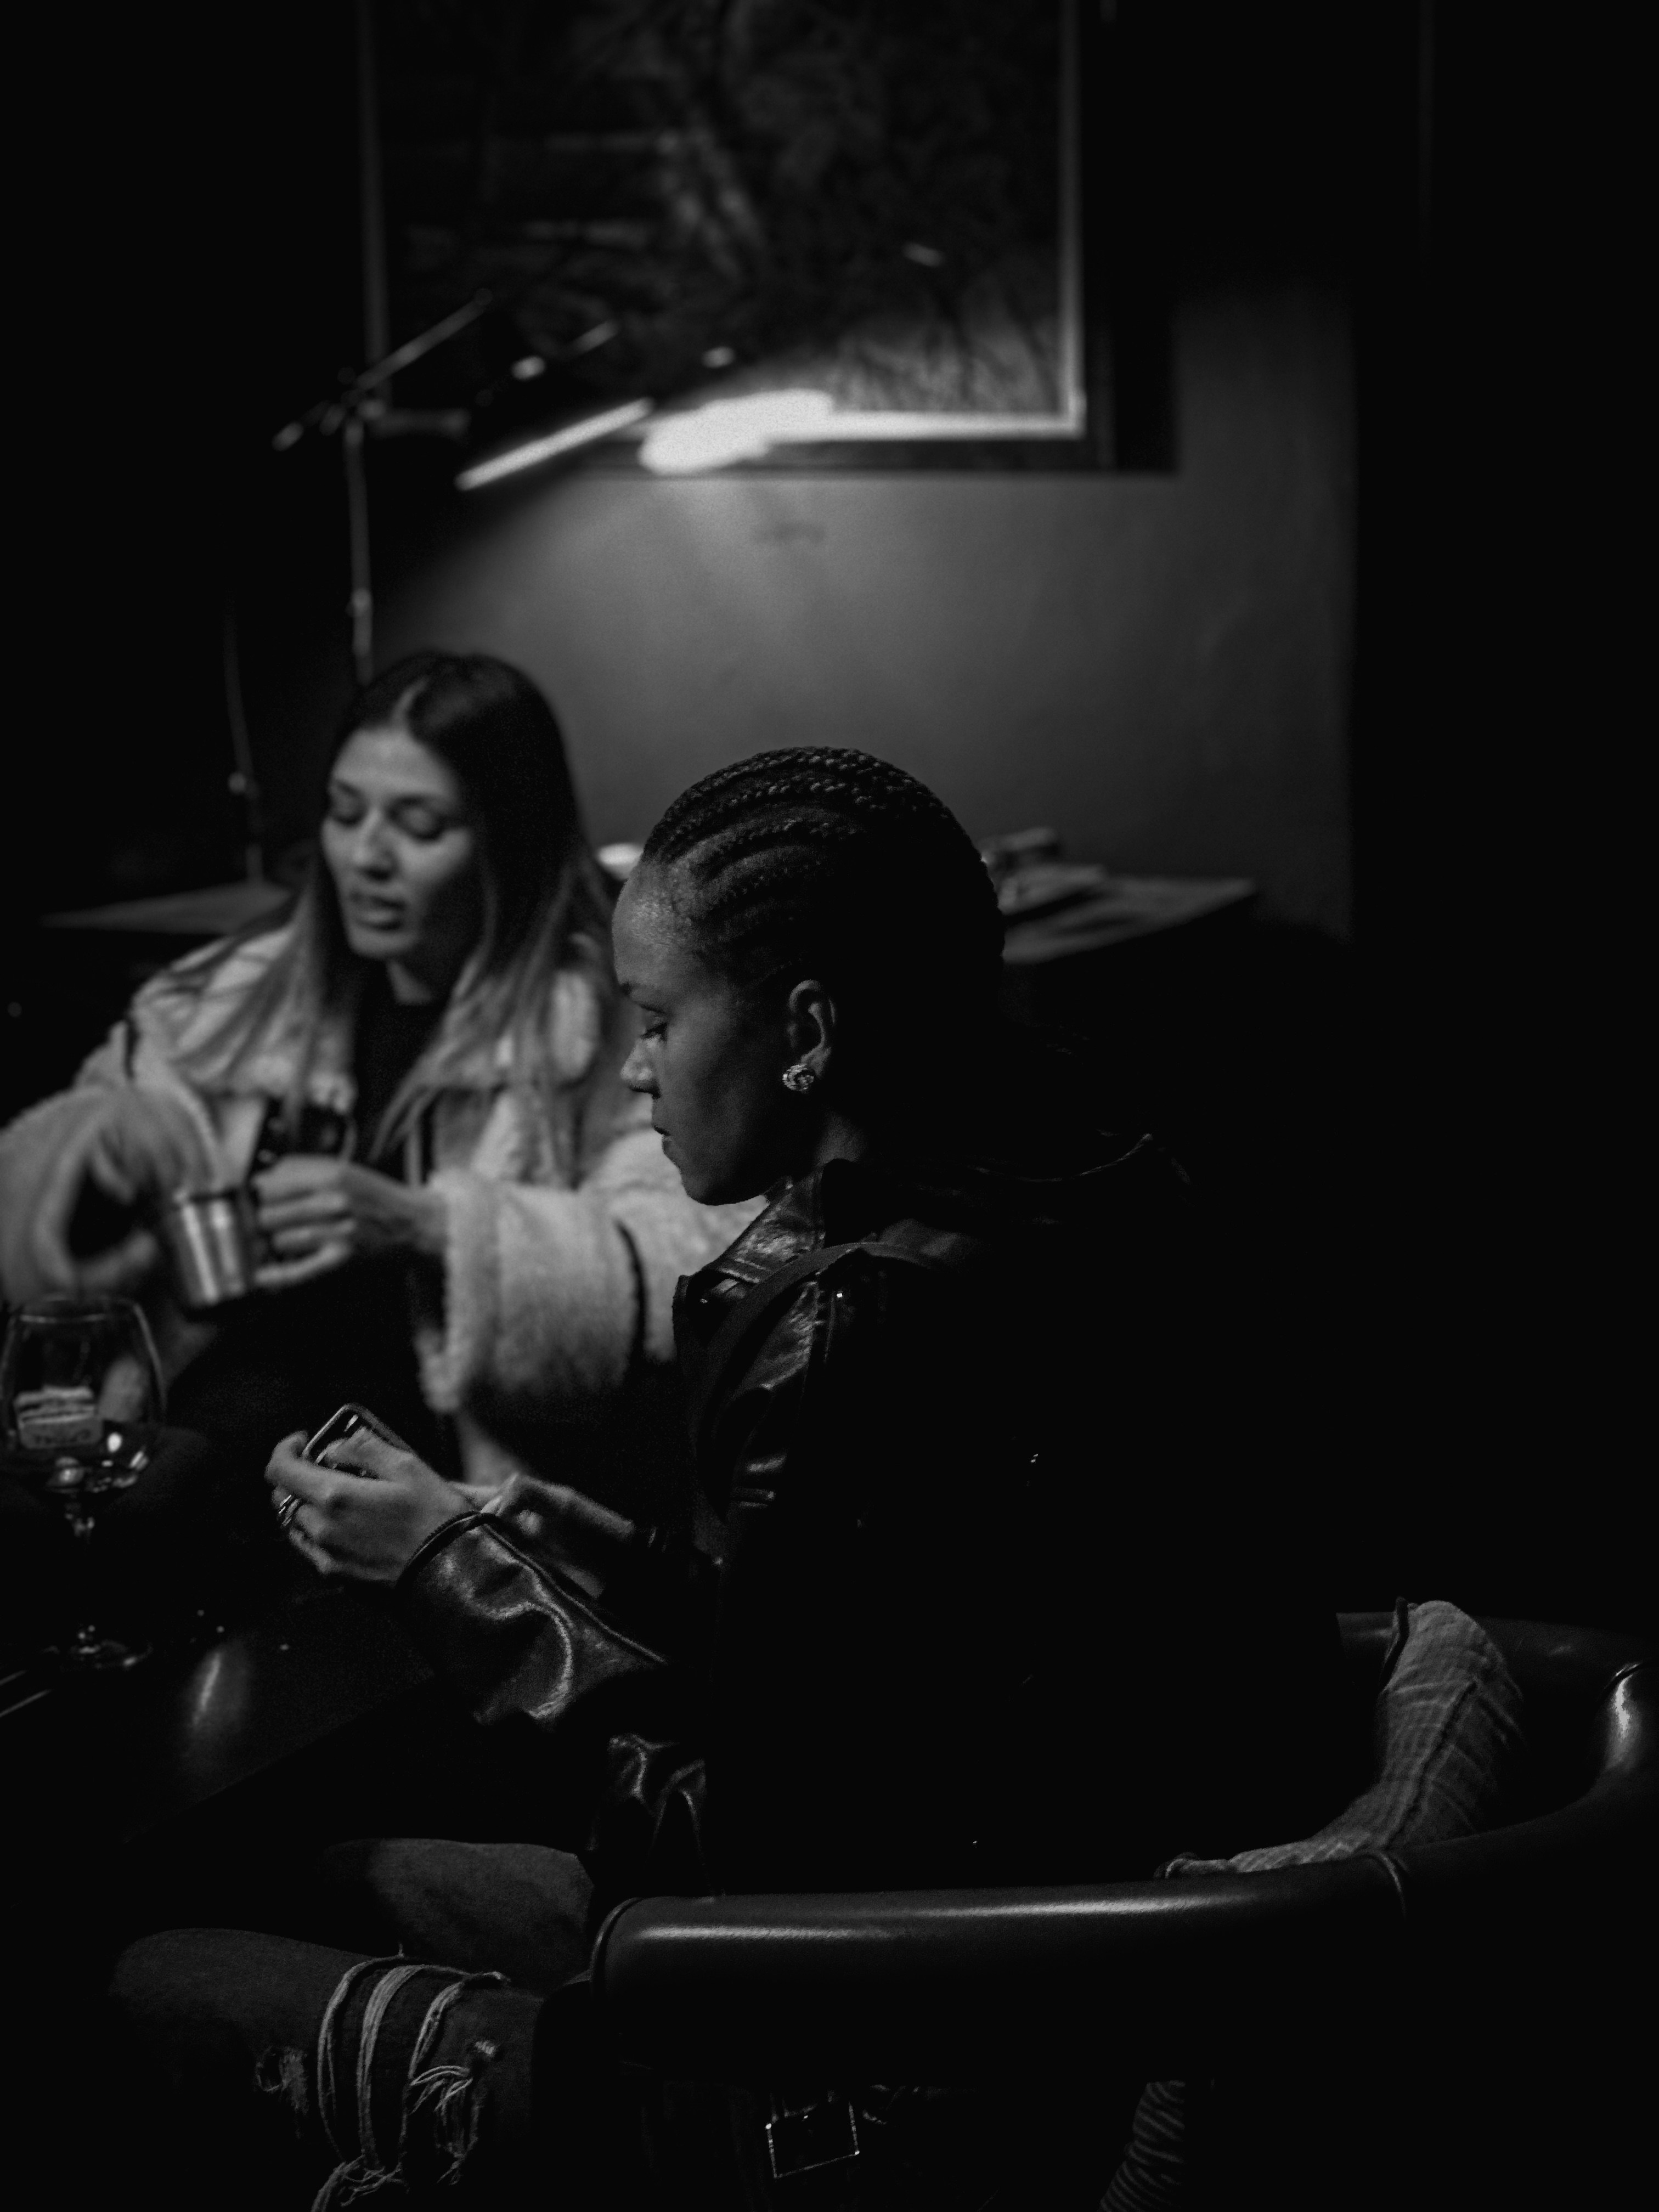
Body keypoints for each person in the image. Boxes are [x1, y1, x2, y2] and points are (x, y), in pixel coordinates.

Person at [111, 748, 1340, 2207]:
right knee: (306, 1874)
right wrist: (578, 1547)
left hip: (853, 2063)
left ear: (807, 1030)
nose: (634, 1067)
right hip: (1004, 1948)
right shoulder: (1094, 1188)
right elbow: (878, 1674)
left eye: (655, 1020)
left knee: (148, 1968)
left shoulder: (860, 1330)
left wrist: (447, 1578)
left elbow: (734, 1840)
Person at [0, 653, 757, 1517]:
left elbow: (699, 1269)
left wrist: (427, 1227)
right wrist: (94, 1144)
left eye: (420, 825)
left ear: (505, 838)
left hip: (460, 1504)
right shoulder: (223, 1006)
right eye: (344, 812)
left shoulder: (602, 1025)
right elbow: (46, 1269)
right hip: (222, 1460)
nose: (366, 857)